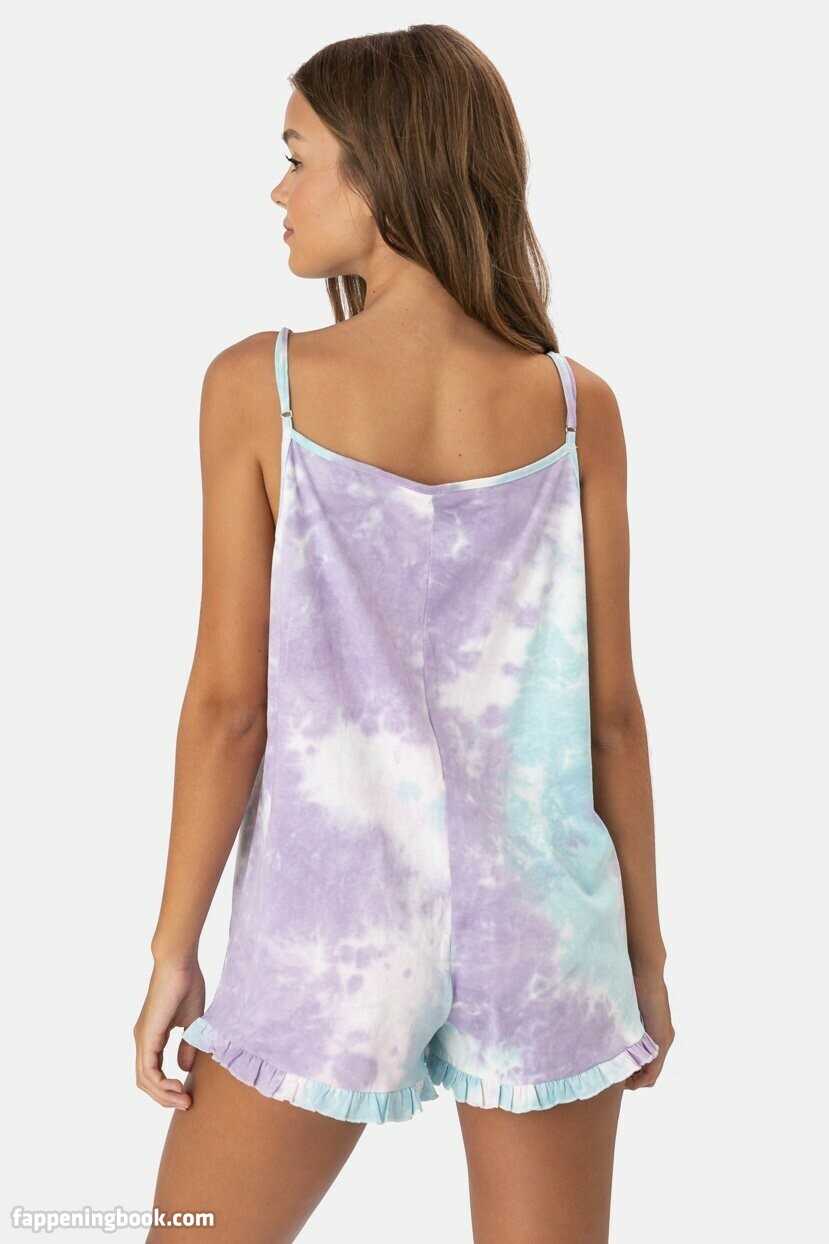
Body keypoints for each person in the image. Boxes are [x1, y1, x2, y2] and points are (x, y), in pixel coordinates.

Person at [135, 23, 674, 1244]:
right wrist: (643, 955)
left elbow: (229, 708)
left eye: (297, 157)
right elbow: (611, 719)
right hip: (545, 924)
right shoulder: (575, 406)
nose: (278, 191)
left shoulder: (259, 388)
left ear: (382, 172)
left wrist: (173, 946)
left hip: (330, 923)